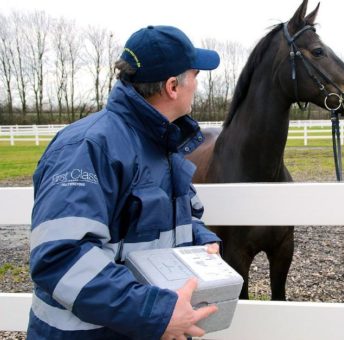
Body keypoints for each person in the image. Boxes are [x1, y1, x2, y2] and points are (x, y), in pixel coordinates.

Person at [28, 25, 222, 339]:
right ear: (173, 86)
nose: (197, 86)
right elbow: (62, 258)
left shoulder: (164, 145)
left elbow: (175, 220)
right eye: (195, 75)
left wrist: (201, 241)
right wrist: (158, 314)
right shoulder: (88, 147)